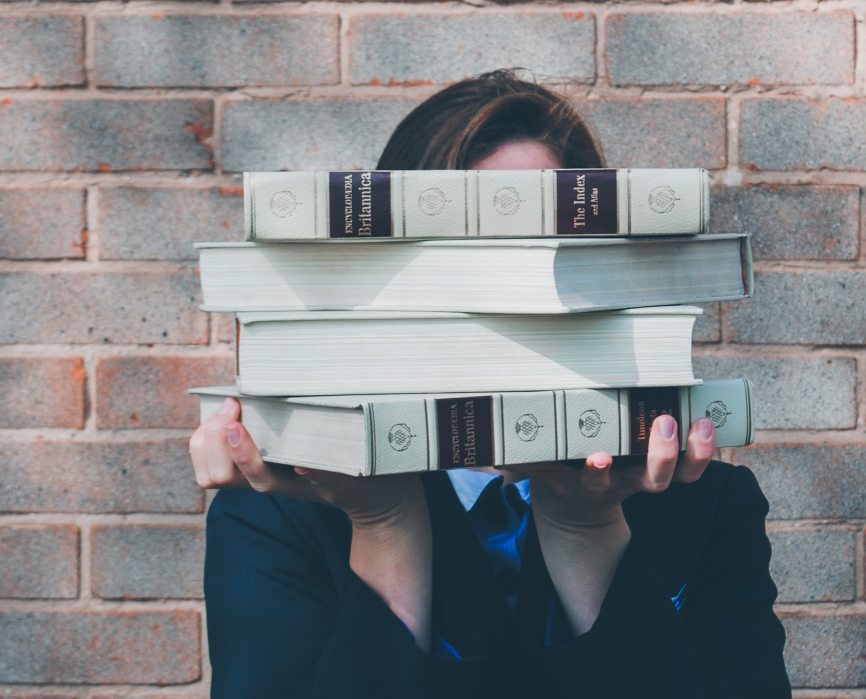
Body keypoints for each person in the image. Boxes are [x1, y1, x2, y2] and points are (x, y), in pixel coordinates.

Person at [190, 69, 791, 698]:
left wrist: (588, 532)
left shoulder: (704, 501)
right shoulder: (288, 506)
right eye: (460, 258)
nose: (506, 302)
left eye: (535, 254)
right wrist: (384, 524)